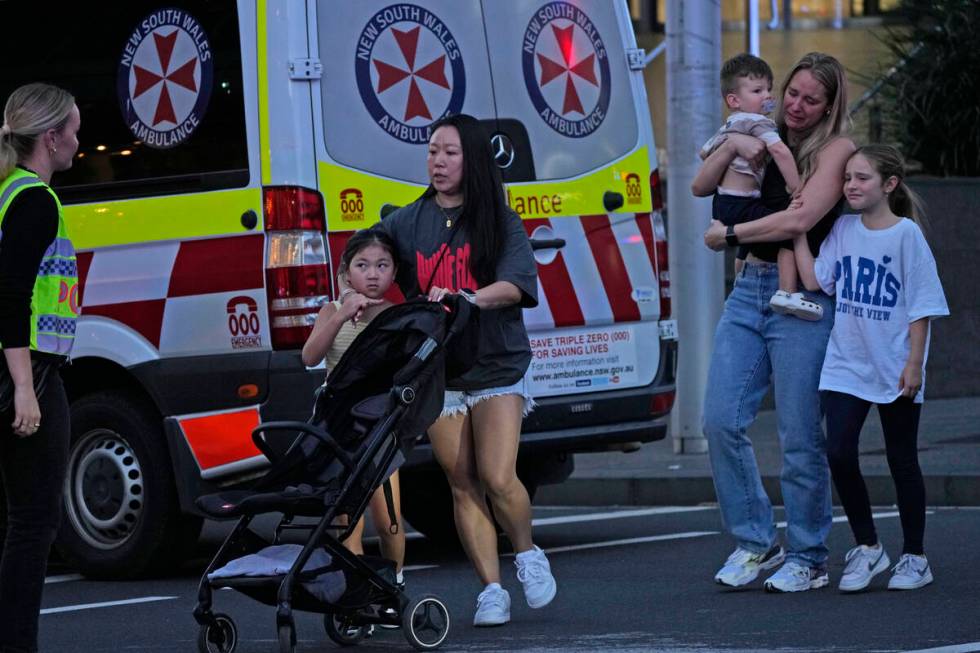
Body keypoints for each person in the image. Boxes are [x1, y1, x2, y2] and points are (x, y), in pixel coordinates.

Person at [364, 113, 555, 627]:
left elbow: (515, 286)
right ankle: (491, 589)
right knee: (462, 479)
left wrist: (469, 298)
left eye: (449, 152)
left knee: (496, 475)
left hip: (496, 363)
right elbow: (371, 253)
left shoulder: (499, 219)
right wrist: (359, 284)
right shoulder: (409, 220)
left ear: (471, 159)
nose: (438, 162)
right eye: (432, 152)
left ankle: (527, 552)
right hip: (440, 372)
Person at [696, 52, 855, 593]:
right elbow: (706, 183)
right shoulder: (762, 131)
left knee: (799, 434)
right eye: (793, 93)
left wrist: (733, 236)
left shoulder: (837, 149)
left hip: (803, 299)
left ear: (831, 106)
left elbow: (802, 216)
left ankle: (809, 555)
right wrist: (732, 147)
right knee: (719, 418)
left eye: (812, 100)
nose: (798, 105)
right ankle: (755, 541)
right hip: (750, 288)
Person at [792, 145, 948, 592]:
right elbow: (816, 281)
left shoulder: (906, 236)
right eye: (847, 179)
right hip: (847, 363)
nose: (851, 186)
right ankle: (868, 546)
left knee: (902, 460)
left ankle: (915, 558)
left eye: (862, 178)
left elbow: (923, 307)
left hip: (895, 364)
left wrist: (914, 365)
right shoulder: (842, 229)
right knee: (839, 453)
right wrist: (799, 231)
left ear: (889, 185)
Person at [0, 83, 81, 652]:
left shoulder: (7, 192)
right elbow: (11, 296)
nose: (80, 141)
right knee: (33, 524)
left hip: (16, 373)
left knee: (15, 523)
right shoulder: (36, 200)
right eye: (74, 129)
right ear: (50, 138)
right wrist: (26, 389)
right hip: (29, 376)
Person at [301, 229, 406, 599]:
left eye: (382, 265)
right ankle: (355, 592)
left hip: (379, 429)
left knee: (389, 518)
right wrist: (342, 313)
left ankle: (394, 584)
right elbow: (310, 357)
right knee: (345, 522)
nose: (373, 274)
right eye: (363, 265)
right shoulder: (333, 310)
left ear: (394, 272)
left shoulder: (396, 316)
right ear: (347, 272)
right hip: (338, 429)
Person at [699, 53, 821, 320]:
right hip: (742, 202)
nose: (766, 95)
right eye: (757, 90)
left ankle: (741, 268)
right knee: (788, 227)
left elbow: (704, 153)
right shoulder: (759, 124)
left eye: (768, 88)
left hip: (722, 203)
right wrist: (797, 188)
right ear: (734, 100)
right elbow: (781, 153)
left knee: (761, 229)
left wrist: (731, 145)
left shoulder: (729, 126)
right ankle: (788, 292)